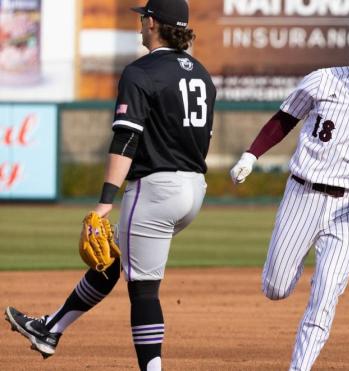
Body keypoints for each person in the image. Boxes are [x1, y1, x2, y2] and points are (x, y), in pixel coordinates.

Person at [4, 0, 216, 369]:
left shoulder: (141, 72)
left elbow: (126, 140)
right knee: (112, 260)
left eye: (144, 18)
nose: (141, 24)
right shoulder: (201, 74)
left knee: (144, 290)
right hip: (194, 189)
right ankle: (50, 328)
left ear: (153, 23)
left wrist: (104, 202)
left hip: (155, 190)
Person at [230, 16, 349, 371]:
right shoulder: (322, 81)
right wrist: (251, 155)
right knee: (276, 287)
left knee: (325, 296)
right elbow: (283, 120)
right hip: (303, 195)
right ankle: (294, 260)